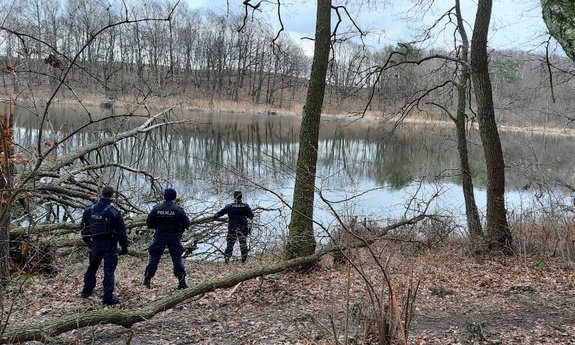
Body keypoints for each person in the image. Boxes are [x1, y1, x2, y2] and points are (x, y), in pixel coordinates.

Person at [80, 186, 129, 306]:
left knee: (92, 268)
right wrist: (124, 247)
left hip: (95, 243)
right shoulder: (114, 212)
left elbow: (83, 228)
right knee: (109, 271)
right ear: (113, 196)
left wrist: (89, 242)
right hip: (109, 244)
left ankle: (87, 291)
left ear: (101, 194)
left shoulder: (90, 210)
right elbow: (121, 232)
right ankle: (107, 297)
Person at [143, 188, 191, 289]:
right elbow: (187, 223)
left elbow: (149, 223)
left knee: (154, 258)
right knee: (177, 259)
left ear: (164, 196)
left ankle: (147, 280)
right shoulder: (178, 209)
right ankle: (182, 282)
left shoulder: (156, 208)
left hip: (159, 235)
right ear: (174, 197)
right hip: (174, 236)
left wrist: (158, 226)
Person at [214, 191, 254, 264]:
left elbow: (218, 214)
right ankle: (244, 261)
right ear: (241, 197)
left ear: (234, 197)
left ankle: (227, 260)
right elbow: (251, 216)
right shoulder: (245, 206)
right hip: (243, 228)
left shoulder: (229, 206)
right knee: (243, 244)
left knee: (230, 244)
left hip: (232, 228)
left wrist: (215, 215)